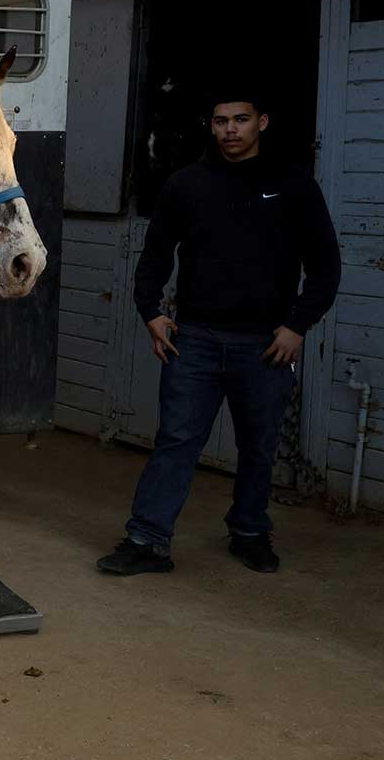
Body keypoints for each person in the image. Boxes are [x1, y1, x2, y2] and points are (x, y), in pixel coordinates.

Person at [98, 96, 339, 576]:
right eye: (221, 121)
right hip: (196, 340)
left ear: (262, 122)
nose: (230, 130)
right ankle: (147, 541)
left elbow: (326, 267)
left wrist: (296, 327)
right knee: (177, 439)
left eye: (241, 120)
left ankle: (249, 531)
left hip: (265, 343)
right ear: (211, 126)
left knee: (259, 444)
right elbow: (155, 256)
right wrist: (150, 312)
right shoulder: (186, 185)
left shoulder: (292, 185)